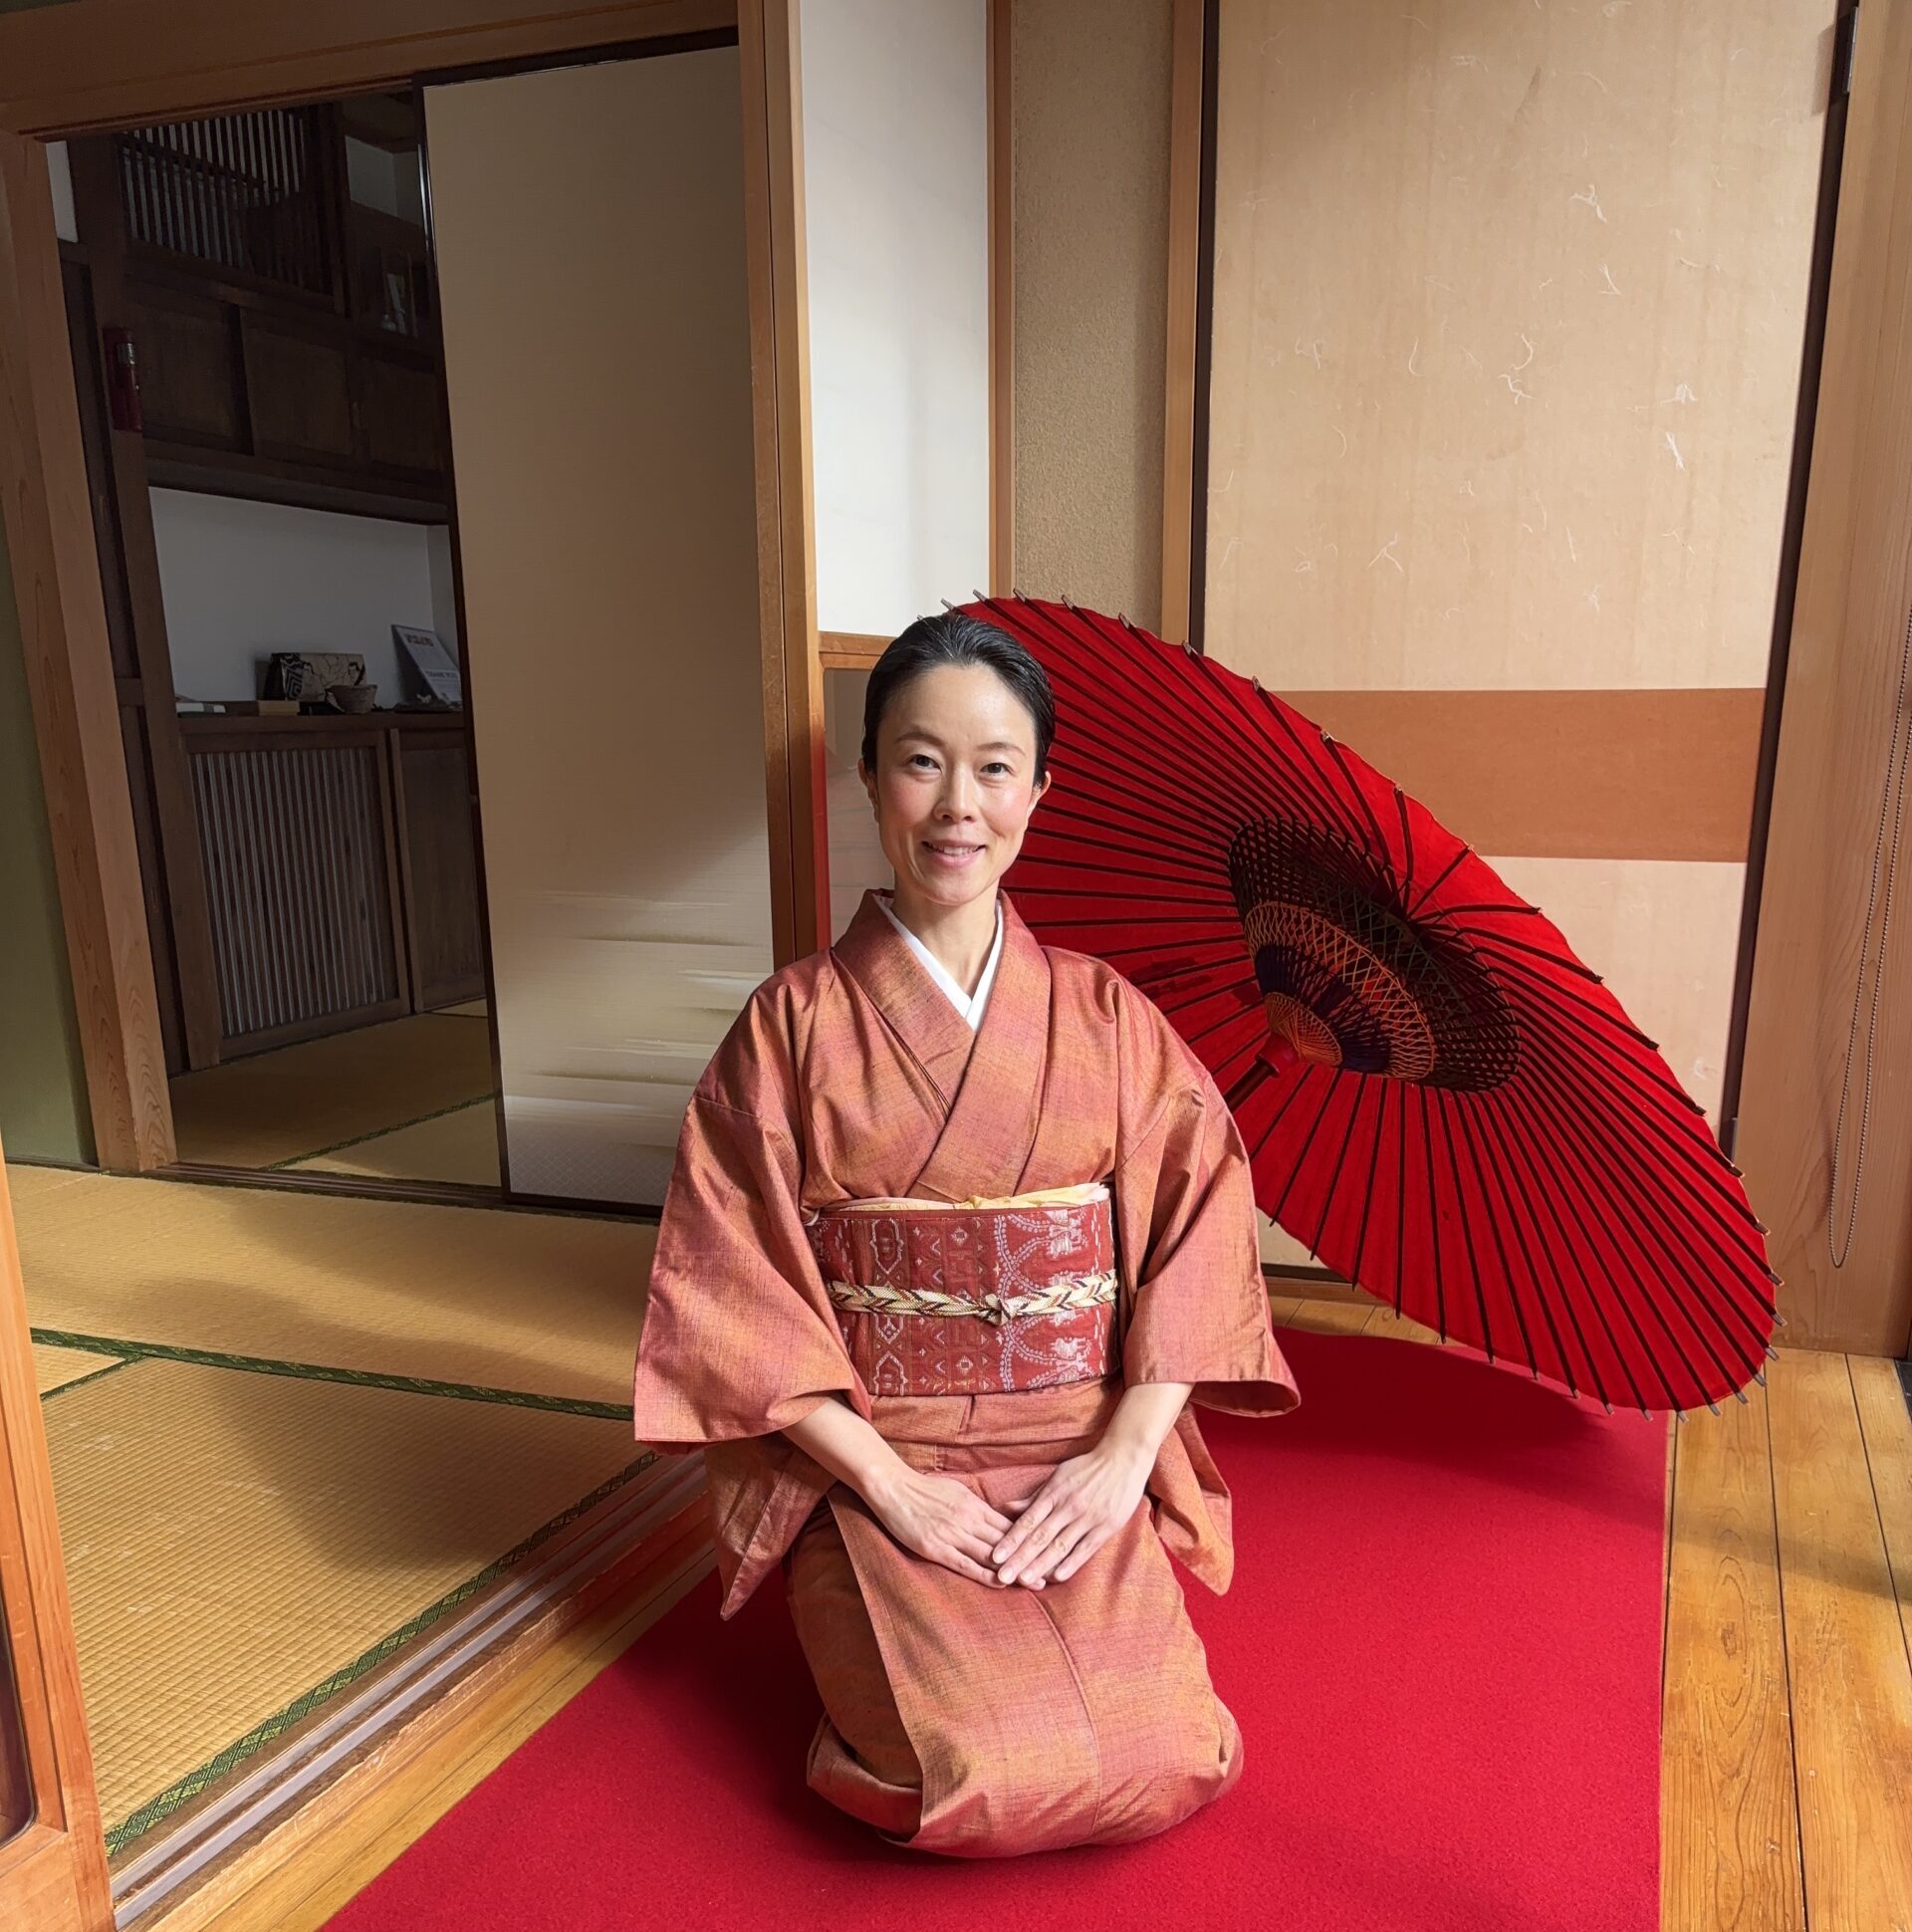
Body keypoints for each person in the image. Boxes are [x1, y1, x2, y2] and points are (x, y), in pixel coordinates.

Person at [629, 609, 1300, 1857]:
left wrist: (1120, 1458)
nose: (958, 804)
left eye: (995, 766)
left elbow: (1200, 1231)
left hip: (1077, 1448)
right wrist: (885, 1485)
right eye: (921, 759)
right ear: (870, 773)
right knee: (978, 1774)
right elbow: (736, 1290)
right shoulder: (790, 1025)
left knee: (1170, 1752)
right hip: (882, 1455)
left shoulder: (1106, 1015)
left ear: (1039, 789)